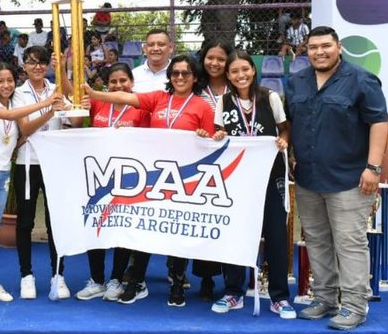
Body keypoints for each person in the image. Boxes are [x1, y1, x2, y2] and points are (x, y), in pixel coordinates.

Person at [84, 54, 215, 307]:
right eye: (175, 73)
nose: (179, 77)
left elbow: (210, 144)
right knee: (145, 228)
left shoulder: (202, 106)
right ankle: (134, 282)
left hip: (183, 180)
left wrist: (204, 135)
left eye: (185, 73)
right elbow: (124, 97)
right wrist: (95, 94)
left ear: (195, 77)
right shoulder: (158, 98)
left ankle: (177, 284)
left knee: (176, 231)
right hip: (153, 177)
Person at [285, 26, 388, 331]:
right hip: (308, 177)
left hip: (350, 178)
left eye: (326, 46)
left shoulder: (361, 79)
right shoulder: (296, 82)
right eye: (313, 46)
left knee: (350, 242)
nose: (319, 51)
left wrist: (374, 167)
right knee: (316, 240)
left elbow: (378, 123)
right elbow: (291, 122)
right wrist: (290, 153)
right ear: (306, 50)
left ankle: (355, 305)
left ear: (338, 47)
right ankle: (325, 299)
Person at [197, 50, 295, 318]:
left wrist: (284, 140)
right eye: (234, 71)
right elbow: (222, 134)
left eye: (245, 69)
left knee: (275, 235)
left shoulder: (269, 97)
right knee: (235, 232)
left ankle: (279, 297)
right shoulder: (223, 101)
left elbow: (285, 126)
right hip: (237, 176)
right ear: (227, 75)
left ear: (253, 70)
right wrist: (215, 136)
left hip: (269, 172)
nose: (240, 75)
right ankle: (233, 292)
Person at [0, 62, 63, 309]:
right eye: (1, 81)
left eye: (10, 80)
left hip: (2, 175)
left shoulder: (13, 104)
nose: (6, 85)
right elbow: (11, 117)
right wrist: (47, 103)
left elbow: (18, 136)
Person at [75, 62, 150, 302]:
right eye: (114, 82)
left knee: (120, 228)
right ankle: (97, 280)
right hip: (98, 176)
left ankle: (116, 279)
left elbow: (153, 141)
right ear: (107, 85)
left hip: (129, 178)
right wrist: (66, 69)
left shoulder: (140, 107)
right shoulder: (98, 103)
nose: (119, 85)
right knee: (95, 223)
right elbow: (74, 100)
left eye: (123, 81)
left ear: (132, 82)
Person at [13, 45, 79, 300]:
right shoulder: (19, 94)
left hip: (55, 164)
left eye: (42, 62)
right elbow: (25, 128)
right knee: (25, 221)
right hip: (27, 162)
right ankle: (26, 275)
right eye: (32, 62)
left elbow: (77, 121)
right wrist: (51, 109)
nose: (37, 67)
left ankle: (58, 275)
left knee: (56, 221)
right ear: (25, 66)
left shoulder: (58, 89)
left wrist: (63, 88)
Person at [193, 39, 233, 301]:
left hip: (233, 160)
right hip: (200, 161)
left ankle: (234, 279)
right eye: (210, 58)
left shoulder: (239, 86)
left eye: (220, 59)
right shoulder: (195, 88)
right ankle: (206, 278)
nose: (215, 63)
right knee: (205, 218)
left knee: (230, 218)